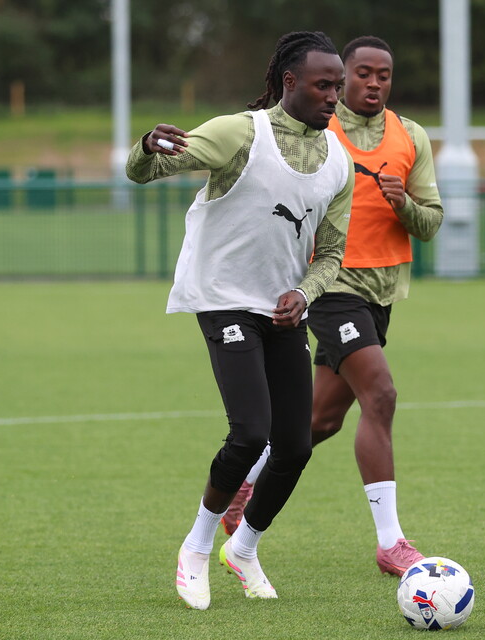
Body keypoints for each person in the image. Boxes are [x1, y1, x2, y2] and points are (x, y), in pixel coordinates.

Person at [125, 31, 354, 610]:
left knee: (296, 445)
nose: (334, 96)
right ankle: (197, 547)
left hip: (281, 309)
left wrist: (306, 293)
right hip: (224, 298)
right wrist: (148, 145)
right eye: (324, 84)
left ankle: (244, 548)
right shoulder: (240, 132)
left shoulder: (340, 163)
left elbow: (331, 253)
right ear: (289, 82)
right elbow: (145, 171)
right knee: (251, 431)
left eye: (339, 86)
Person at [224, 35, 443, 577]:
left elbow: (432, 222)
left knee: (317, 423)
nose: (373, 83)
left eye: (383, 75)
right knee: (382, 393)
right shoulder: (321, 127)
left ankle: (244, 483)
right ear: (343, 77)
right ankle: (391, 541)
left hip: (381, 294)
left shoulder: (410, 136)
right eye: (361, 74)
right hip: (329, 287)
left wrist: (406, 204)